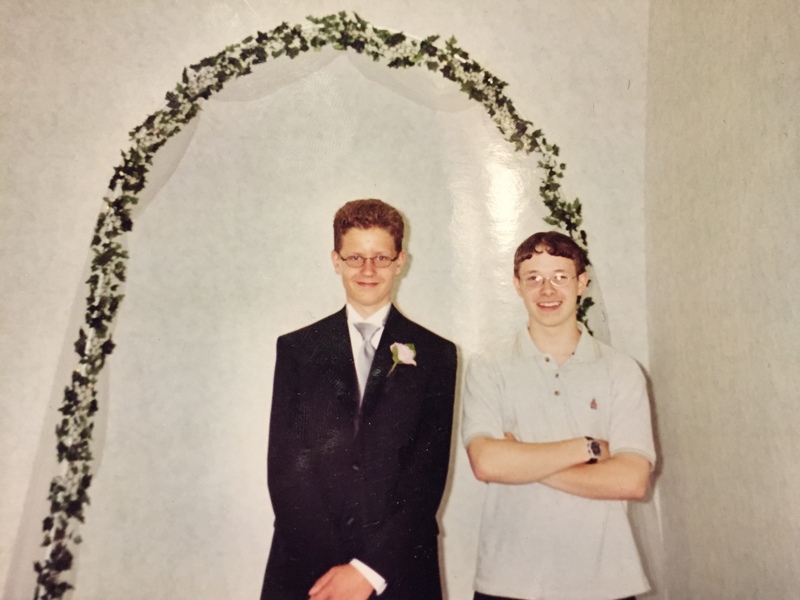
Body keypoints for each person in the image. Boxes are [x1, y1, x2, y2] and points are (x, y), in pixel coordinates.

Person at [260, 199, 458, 600]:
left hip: (398, 572)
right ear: (336, 260)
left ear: (400, 261)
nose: (368, 270)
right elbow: (286, 469)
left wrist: (367, 571)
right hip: (309, 571)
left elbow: (427, 475)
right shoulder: (298, 349)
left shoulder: (437, 355)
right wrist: (338, 572)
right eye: (355, 257)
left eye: (380, 257)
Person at [462, 231, 656, 600]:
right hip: (508, 580)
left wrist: (524, 461)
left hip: (606, 582)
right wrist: (589, 448)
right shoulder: (488, 367)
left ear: (582, 282)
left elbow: (632, 481)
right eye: (533, 278)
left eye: (560, 277)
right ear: (517, 286)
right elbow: (487, 462)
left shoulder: (622, 370)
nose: (547, 290)